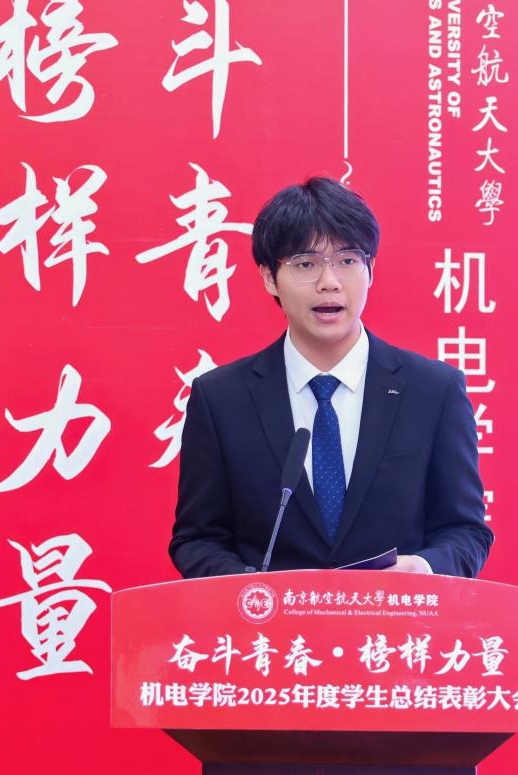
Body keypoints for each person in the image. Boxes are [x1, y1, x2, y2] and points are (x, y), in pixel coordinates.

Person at [168, 177, 493, 578]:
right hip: (272, 619)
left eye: (347, 260)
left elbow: (465, 530)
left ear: (370, 270)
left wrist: (423, 568)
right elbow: (198, 539)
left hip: (392, 616)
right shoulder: (221, 399)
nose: (329, 282)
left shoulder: (434, 391)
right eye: (305, 264)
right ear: (269, 276)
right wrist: (251, 594)